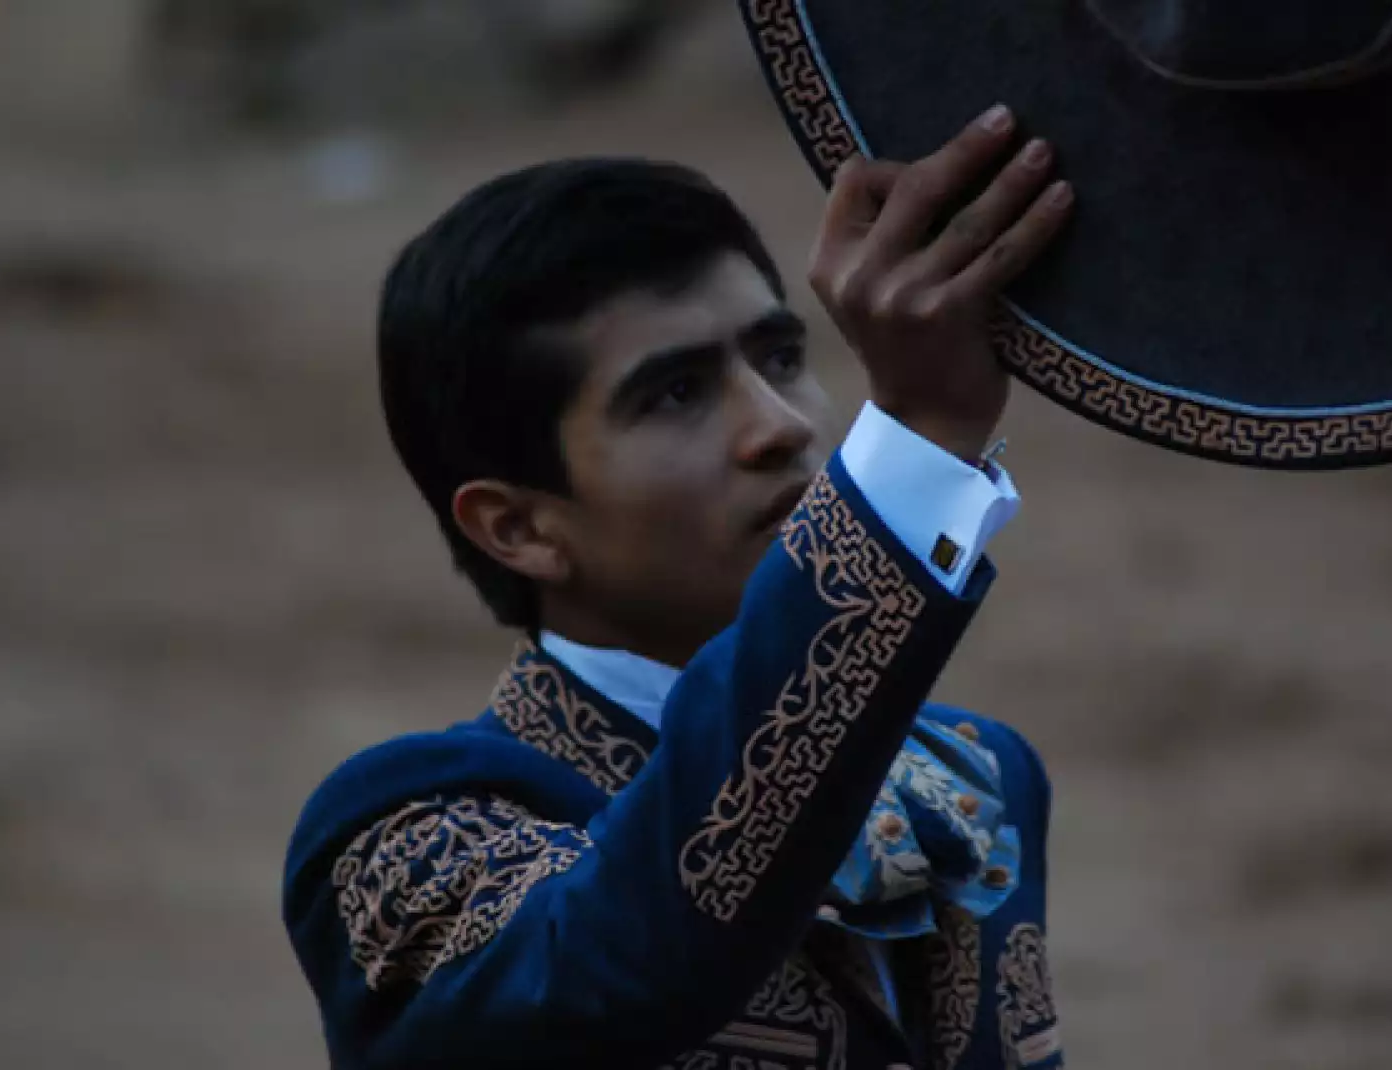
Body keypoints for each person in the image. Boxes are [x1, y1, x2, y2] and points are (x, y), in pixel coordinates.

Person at [282, 103, 1076, 1070]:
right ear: (521, 528)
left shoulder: (977, 776)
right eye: (675, 393)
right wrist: (912, 443)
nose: (780, 424)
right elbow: (640, 953)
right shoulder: (402, 841)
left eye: (781, 357)